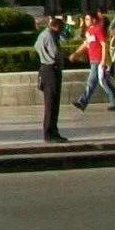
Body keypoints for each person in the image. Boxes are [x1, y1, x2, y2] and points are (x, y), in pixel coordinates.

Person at [71, 11, 115, 112]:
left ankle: (82, 102)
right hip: (93, 60)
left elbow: (104, 45)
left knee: (92, 82)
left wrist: (103, 59)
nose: (86, 21)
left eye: (87, 19)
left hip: (98, 60)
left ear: (94, 20)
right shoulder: (88, 31)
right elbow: (86, 44)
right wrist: (76, 54)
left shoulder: (98, 30)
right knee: (103, 82)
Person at [35, 14, 66, 143]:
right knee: (52, 104)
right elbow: (55, 53)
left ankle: (53, 131)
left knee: (50, 103)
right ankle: (50, 132)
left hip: (44, 69)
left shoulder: (42, 34)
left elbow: (36, 47)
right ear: (57, 27)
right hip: (51, 70)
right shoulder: (51, 36)